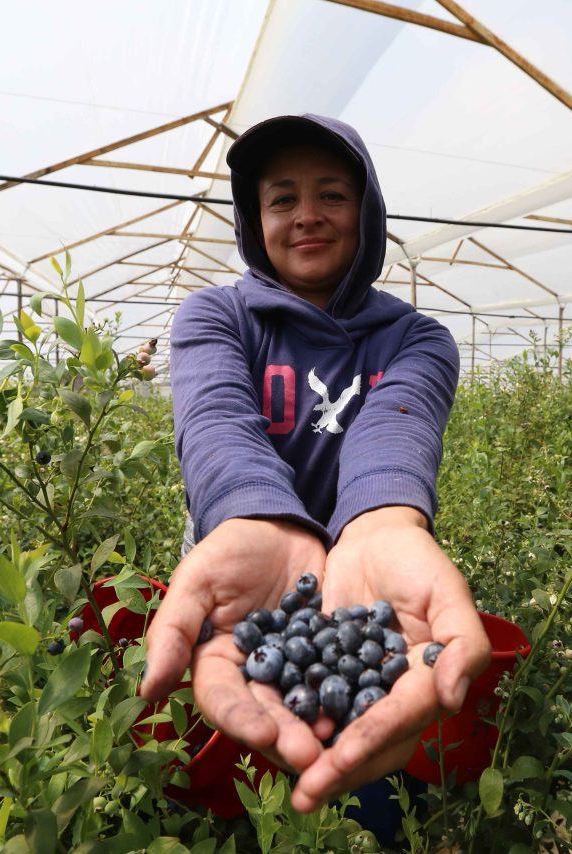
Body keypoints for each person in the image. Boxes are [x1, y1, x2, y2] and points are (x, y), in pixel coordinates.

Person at [139, 114, 491, 814]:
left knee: (358, 740)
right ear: (255, 220)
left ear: (368, 213)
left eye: (332, 194)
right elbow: (216, 422)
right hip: (241, 561)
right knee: (231, 748)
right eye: (282, 199)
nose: (307, 215)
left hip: (365, 574)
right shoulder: (217, 316)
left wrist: (384, 523)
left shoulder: (417, 338)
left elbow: (394, 429)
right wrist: (252, 518)